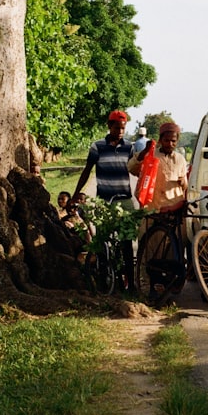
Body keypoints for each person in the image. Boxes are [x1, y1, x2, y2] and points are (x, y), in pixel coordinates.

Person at [128, 121, 189, 302]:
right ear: (160, 139)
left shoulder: (180, 159)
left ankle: (167, 290)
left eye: (173, 141)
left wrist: (182, 194)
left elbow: (184, 184)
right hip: (151, 213)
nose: (170, 144)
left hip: (172, 214)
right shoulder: (150, 155)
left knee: (171, 254)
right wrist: (145, 153)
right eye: (167, 140)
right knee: (148, 253)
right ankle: (146, 290)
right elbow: (131, 167)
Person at [74, 110, 135, 288]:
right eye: (117, 128)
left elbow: (137, 170)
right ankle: (104, 280)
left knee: (126, 244)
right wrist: (77, 192)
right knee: (102, 242)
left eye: (123, 128)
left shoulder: (129, 148)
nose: (120, 132)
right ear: (109, 127)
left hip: (124, 200)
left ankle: (131, 284)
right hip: (104, 202)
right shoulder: (97, 147)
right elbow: (87, 170)